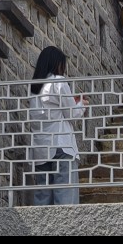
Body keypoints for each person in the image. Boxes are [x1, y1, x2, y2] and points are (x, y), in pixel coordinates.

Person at [27, 45, 88, 206]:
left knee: (43, 196)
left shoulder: (33, 89)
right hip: (61, 145)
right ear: (56, 64)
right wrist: (82, 104)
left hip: (41, 149)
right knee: (65, 196)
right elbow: (72, 113)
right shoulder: (58, 82)